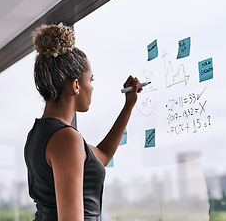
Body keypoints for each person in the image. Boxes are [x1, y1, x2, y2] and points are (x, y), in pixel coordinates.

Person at [24, 23, 141, 221]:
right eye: (91, 80)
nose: (92, 88)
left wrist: (128, 106)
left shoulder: (39, 133)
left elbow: (102, 156)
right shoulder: (66, 138)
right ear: (76, 85)